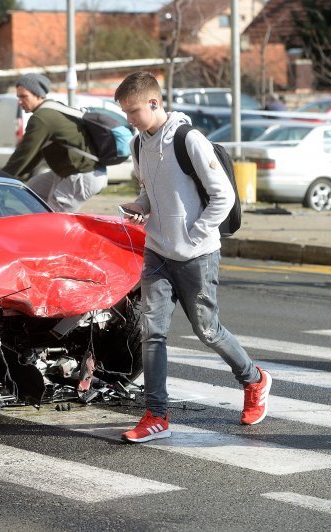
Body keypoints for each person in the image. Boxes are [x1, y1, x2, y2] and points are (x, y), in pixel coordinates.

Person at [113, 71, 271, 443]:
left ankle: (255, 379)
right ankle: (156, 415)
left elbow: (224, 197)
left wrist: (195, 233)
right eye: (125, 113)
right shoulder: (139, 145)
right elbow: (151, 192)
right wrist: (139, 206)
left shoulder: (189, 139)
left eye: (134, 111)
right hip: (158, 252)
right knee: (152, 332)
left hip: (197, 254)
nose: (130, 119)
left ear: (155, 103)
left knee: (208, 330)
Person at [2, 73, 107, 212]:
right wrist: (16, 176)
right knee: (32, 191)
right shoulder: (51, 109)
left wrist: (1, 177)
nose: (20, 101)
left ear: (37, 95)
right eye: (18, 97)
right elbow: (34, 155)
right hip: (70, 173)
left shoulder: (42, 118)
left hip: (82, 175)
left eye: (23, 96)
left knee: (54, 220)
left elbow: (24, 153)